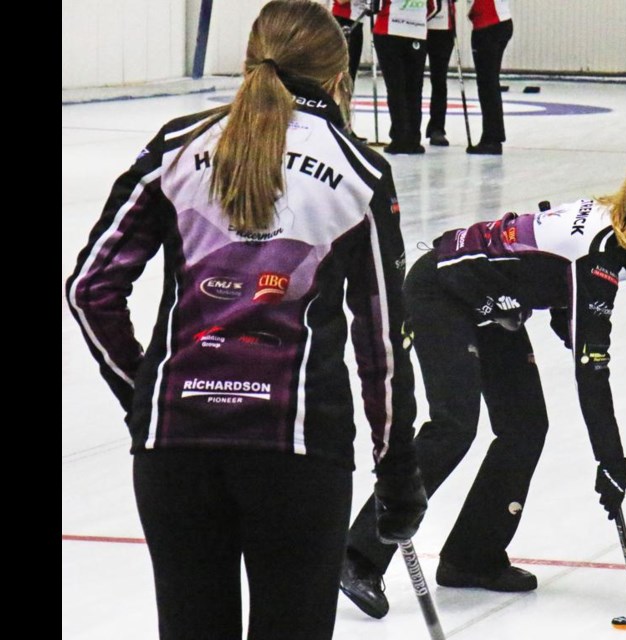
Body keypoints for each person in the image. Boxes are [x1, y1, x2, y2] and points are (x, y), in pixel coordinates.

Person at [64, 2, 426, 638]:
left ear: (247, 62)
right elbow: (382, 342)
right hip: (296, 453)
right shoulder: (360, 172)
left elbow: (91, 287)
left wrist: (145, 393)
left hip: (176, 448)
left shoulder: (175, 149)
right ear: (341, 75)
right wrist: (397, 472)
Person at [339, 163, 626, 618]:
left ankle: (471, 555)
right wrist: (611, 461)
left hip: (494, 303)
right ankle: (358, 557)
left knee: (526, 425)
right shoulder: (598, 257)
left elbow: (560, 296)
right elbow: (591, 372)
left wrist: (579, 328)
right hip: (442, 291)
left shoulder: (616, 236)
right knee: (453, 426)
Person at [373, 0, 430, 154]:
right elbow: (434, 7)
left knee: (395, 87)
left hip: (390, 27)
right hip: (417, 30)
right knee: (414, 87)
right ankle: (413, 139)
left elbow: (375, 5)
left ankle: (400, 138)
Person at [466, 0, 512, 154]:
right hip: (497, 21)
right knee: (489, 83)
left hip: (489, 23)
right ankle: (493, 136)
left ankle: (492, 138)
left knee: (487, 84)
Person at [425, 0, 455, 146]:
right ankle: (408, 129)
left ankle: (437, 128)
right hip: (415, 24)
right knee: (412, 80)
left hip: (443, 26)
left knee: (439, 80)